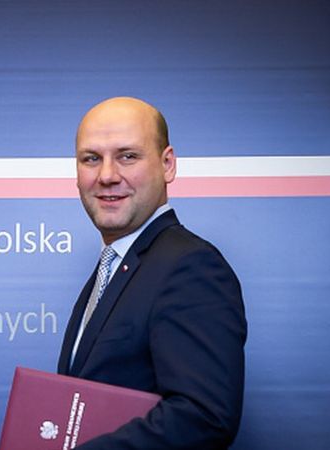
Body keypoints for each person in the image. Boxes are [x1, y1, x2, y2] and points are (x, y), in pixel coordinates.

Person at [57, 97, 247, 449]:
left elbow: (203, 416)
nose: (107, 175)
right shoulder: (113, 267)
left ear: (167, 165)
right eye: (91, 158)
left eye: (128, 156)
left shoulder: (190, 266)